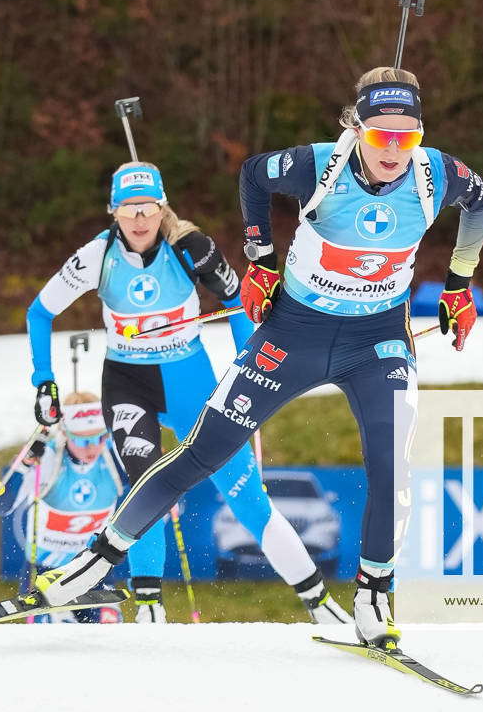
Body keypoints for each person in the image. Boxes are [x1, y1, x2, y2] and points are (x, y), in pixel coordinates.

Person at [32, 66, 483, 648]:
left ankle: (375, 594)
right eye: (381, 136)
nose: (394, 151)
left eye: (408, 137)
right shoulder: (320, 166)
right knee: (205, 451)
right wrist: (261, 260)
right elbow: (253, 174)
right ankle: (98, 560)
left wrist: (458, 283)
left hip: (375, 342)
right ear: (359, 131)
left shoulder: (436, 174)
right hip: (294, 333)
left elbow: (482, 200)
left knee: (392, 464)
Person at [26, 161, 350, 624]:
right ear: (112, 213)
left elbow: (240, 301)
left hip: (191, 383)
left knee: (247, 499)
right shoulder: (96, 257)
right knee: (145, 489)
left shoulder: (190, 248)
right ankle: (149, 607)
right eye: (128, 209)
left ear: (162, 209)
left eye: (148, 208)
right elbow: (39, 313)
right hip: (128, 383)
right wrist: (44, 379)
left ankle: (319, 604)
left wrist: (249, 371)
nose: (139, 219)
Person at [0, 391, 127, 623]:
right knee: (53, 649)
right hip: (48, 573)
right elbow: (1, 506)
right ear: (65, 433)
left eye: (99, 438)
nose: (92, 448)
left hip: (94, 570)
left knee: (106, 645)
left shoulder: (113, 455)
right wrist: (24, 464)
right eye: (83, 440)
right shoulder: (48, 458)